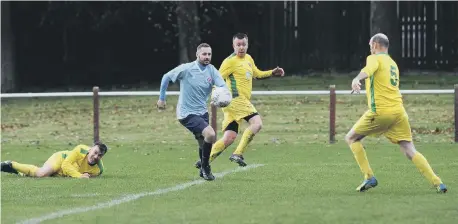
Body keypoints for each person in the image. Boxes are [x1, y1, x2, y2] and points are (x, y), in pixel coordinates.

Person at [345, 33, 447, 193]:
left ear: (376, 45)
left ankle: (369, 177)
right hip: (399, 112)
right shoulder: (392, 64)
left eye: (371, 45)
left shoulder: (374, 58)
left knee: (351, 138)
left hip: (381, 111)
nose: (370, 49)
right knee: (409, 148)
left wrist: (356, 79)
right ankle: (438, 182)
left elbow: (368, 70)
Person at [196, 33, 284, 169]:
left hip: (234, 105)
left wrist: (272, 72)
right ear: (233, 46)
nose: (241, 47)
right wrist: (214, 95)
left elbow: (257, 73)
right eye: (238, 45)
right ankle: (238, 153)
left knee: (229, 137)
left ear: (247, 45)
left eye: (244, 44)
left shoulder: (248, 58)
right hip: (235, 100)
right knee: (257, 123)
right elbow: (216, 79)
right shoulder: (229, 61)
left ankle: (204, 161)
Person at [157, 43, 228, 181]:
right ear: (197, 55)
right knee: (210, 134)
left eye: (209, 54)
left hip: (202, 112)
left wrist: (222, 96)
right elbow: (166, 77)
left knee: (204, 142)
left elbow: (222, 86)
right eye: (204, 54)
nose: (207, 57)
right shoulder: (187, 69)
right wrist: (162, 99)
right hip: (186, 113)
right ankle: (206, 168)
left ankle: (203, 168)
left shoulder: (212, 70)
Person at [1, 142, 107, 178]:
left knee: (45, 176)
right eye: (95, 152)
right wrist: (79, 176)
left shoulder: (99, 170)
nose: (96, 156)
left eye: (100, 155)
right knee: (41, 174)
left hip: (65, 171)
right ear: (91, 148)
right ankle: (11, 164)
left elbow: (89, 176)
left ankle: (20, 172)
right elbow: (66, 164)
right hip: (60, 159)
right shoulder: (80, 149)